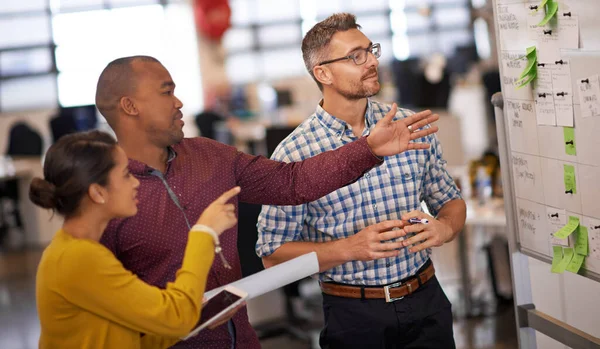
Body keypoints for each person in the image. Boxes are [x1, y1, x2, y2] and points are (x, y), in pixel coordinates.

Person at [94, 55, 439, 348]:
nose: (179, 102)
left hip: (241, 340)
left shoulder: (208, 156)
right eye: (166, 91)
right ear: (130, 105)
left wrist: (368, 149)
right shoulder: (103, 196)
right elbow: (105, 308)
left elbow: (292, 182)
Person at [256, 13, 467, 349]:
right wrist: (346, 249)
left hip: (427, 300)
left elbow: (451, 202)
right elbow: (271, 254)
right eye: (356, 56)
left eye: (371, 51)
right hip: (354, 315)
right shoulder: (294, 153)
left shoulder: (406, 124)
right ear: (322, 73)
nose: (371, 62)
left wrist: (445, 228)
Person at [30, 131, 242, 349]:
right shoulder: (78, 258)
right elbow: (176, 318)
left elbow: (129, 340)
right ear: (97, 193)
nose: (135, 183)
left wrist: (198, 318)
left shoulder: (80, 251)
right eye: (125, 175)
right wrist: (204, 233)